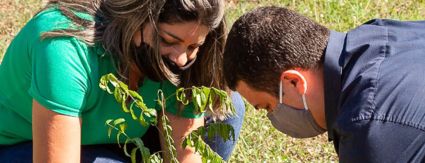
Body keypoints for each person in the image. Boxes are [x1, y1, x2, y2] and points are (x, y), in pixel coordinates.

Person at [0, 0, 245, 162]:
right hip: (26, 144)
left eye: (194, 46)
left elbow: (185, 155)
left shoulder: (179, 58)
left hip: (120, 136)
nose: (181, 59)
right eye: (169, 41)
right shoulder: (64, 47)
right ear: (136, 18)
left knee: (227, 109)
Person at [223, 6, 425, 162]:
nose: (272, 118)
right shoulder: (380, 33)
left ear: (293, 82)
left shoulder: (368, 133)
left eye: (268, 107)